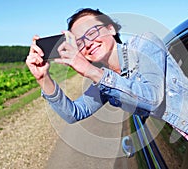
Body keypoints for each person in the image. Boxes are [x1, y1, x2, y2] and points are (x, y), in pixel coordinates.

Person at [26, 8, 167, 124]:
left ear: (111, 29)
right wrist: (43, 78)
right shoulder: (105, 79)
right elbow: (74, 114)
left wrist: (90, 70)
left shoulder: (144, 43)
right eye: (79, 42)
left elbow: (154, 99)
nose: (87, 43)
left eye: (92, 33)